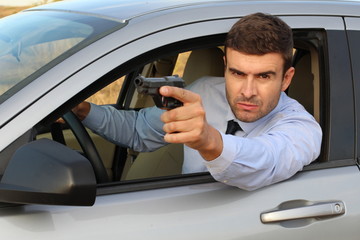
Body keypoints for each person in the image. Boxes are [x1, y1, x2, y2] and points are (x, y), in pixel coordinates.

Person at [73, 13, 322, 191]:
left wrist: (209, 140)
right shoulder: (204, 90)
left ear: (286, 78)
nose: (247, 91)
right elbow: (139, 131)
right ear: (225, 67)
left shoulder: (301, 127)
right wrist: (83, 111)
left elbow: (266, 159)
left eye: (263, 76)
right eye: (237, 73)